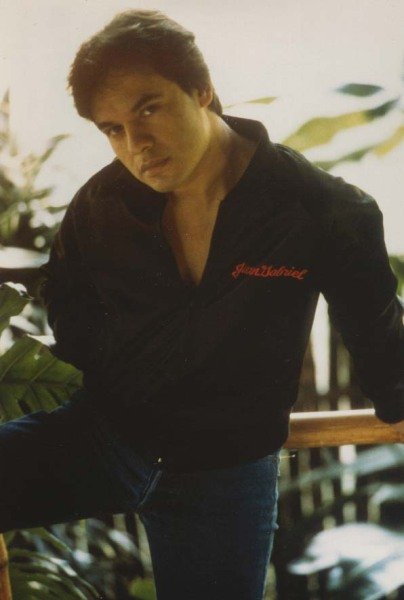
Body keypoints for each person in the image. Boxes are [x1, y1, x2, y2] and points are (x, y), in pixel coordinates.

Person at [1, 9, 403, 600]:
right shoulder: (102, 204)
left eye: (148, 109)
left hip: (225, 478)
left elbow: (383, 346)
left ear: (202, 89)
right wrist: (124, 370)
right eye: (113, 129)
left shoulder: (323, 210)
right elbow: (67, 304)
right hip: (105, 439)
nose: (136, 145)